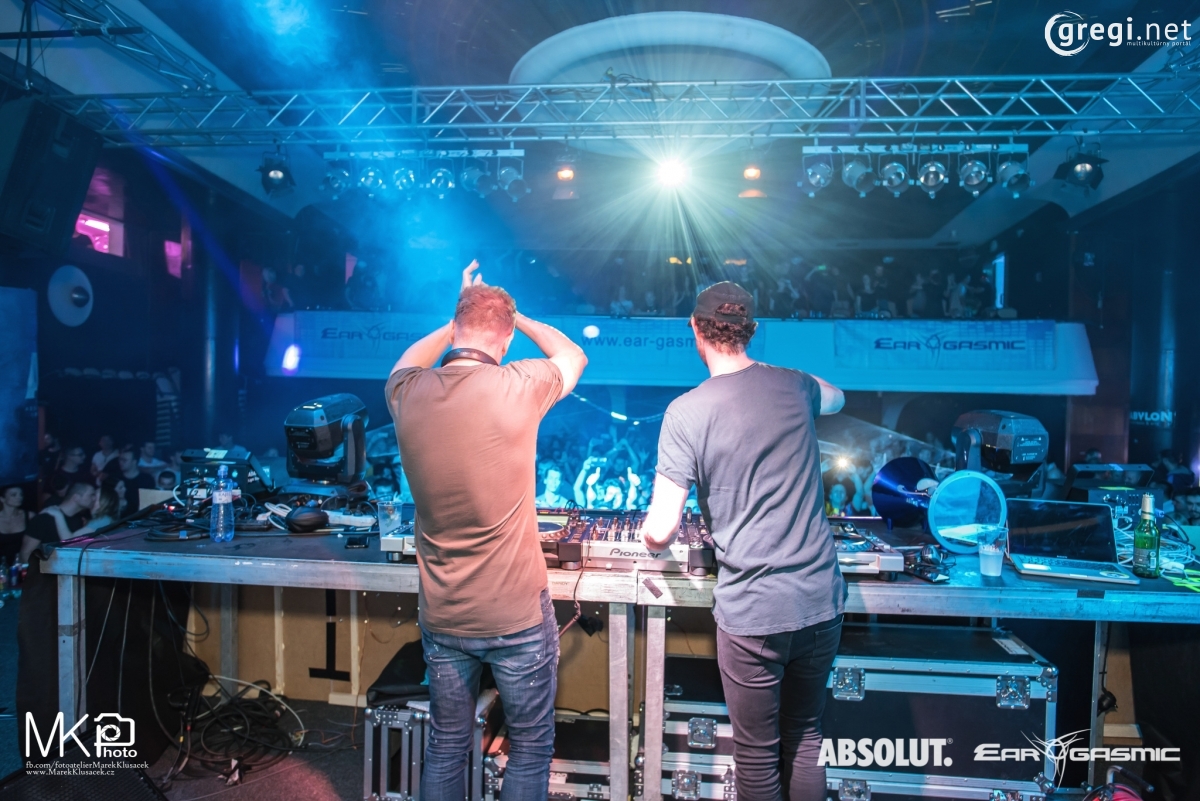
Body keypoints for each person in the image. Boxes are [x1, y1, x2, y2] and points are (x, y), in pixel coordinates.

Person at [384, 260, 587, 801]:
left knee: (447, 744)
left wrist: (459, 313)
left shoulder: (407, 391)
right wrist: (519, 316)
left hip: (445, 615)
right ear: (507, 337)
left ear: (455, 329)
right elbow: (573, 355)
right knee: (530, 747)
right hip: (515, 614)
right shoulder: (520, 384)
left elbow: (407, 361)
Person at [640, 281, 847, 801]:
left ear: (695, 329)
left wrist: (648, 533)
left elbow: (660, 531)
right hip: (821, 601)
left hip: (755, 610)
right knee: (806, 739)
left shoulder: (686, 411)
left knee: (757, 755)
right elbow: (838, 396)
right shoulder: (796, 385)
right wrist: (783, 378)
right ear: (751, 330)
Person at [17, 482, 96, 757]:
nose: (94, 497)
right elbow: (25, 555)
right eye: (90, 493)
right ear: (78, 495)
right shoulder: (44, 519)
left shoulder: (78, 519)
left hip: (65, 592)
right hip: (41, 590)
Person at [0, 485, 32, 565]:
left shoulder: (29, 516)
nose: (19, 497)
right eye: (14, 495)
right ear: (2, 498)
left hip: (23, 564)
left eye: (21, 494)